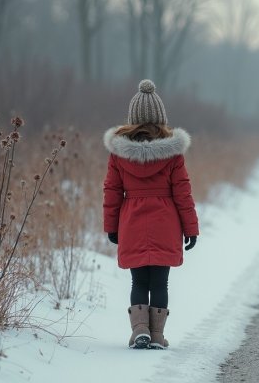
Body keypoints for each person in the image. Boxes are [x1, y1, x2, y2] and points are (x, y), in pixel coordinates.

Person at [102, 79, 199, 349]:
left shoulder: (119, 154)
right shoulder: (173, 154)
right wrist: (191, 228)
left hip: (131, 222)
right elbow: (183, 193)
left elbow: (111, 191)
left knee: (138, 280)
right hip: (165, 223)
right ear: (160, 118)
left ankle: (140, 331)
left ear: (132, 118)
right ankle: (156, 336)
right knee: (160, 281)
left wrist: (112, 226)